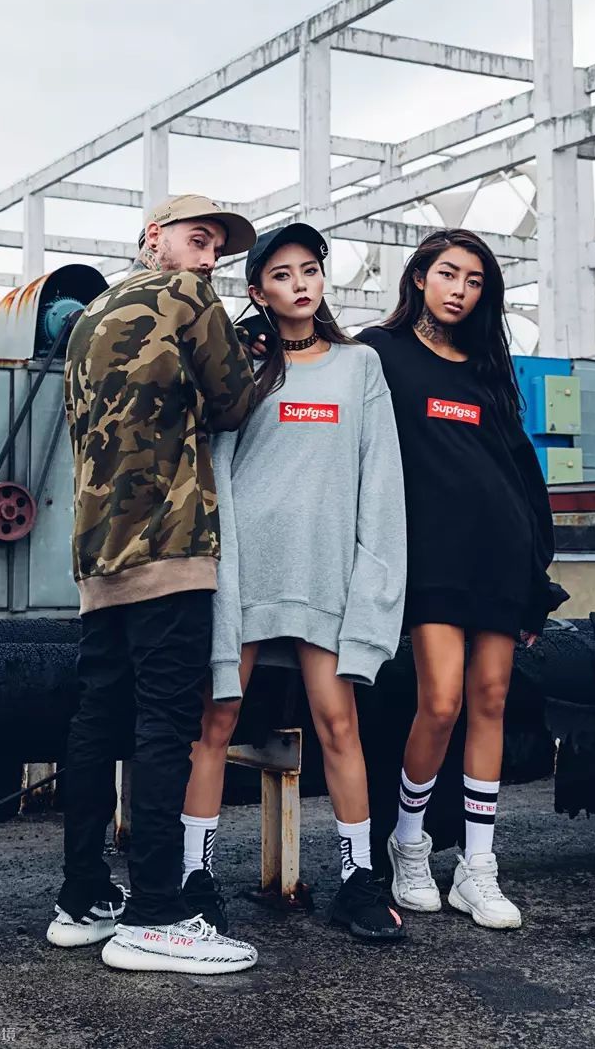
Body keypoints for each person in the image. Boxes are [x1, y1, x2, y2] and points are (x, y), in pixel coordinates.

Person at [48, 194, 262, 974]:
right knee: (167, 723)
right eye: (198, 240)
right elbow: (235, 402)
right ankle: (157, 913)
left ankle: (82, 897)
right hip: (171, 544)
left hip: (98, 552)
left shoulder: (87, 317)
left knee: (96, 718)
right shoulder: (189, 297)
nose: (208, 259)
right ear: (153, 238)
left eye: (216, 251)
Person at [179, 221, 408, 942]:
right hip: (245, 573)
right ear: (258, 292)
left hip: (323, 575)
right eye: (282, 274)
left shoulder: (360, 365)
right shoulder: (239, 366)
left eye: (309, 269)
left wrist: (373, 578)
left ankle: (358, 881)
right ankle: (192, 879)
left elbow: (381, 481)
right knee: (215, 723)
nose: (300, 283)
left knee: (339, 725)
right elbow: (211, 465)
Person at [358, 228, 567, 931]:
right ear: (419, 276)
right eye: (449, 273)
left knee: (491, 700)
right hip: (431, 556)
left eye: (475, 281)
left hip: (499, 554)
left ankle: (478, 867)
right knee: (440, 701)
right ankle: (408, 843)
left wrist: (536, 571)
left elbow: (519, 469)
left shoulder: (485, 366)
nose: (460, 290)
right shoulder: (379, 352)